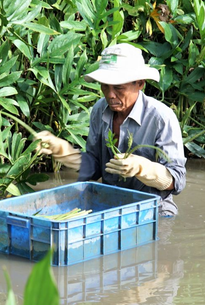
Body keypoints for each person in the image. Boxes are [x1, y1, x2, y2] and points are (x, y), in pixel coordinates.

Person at [34, 43, 186, 216]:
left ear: (140, 84)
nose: (110, 94)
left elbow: (177, 181)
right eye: (105, 86)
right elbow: (96, 167)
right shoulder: (100, 109)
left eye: (118, 87)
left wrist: (143, 169)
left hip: (153, 211)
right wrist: (65, 152)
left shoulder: (161, 118)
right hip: (110, 203)